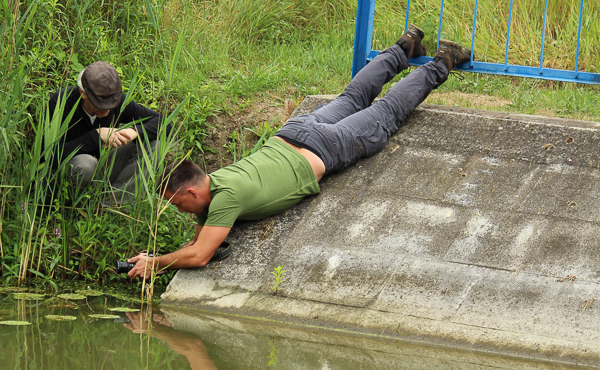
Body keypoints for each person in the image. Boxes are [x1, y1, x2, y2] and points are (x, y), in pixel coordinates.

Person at [126, 29, 470, 277]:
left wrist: (155, 263)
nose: (180, 210)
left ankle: (444, 60)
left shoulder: (224, 199)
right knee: (352, 97)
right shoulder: (218, 183)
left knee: (387, 112)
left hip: (324, 146)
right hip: (294, 131)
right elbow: (197, 243)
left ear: (191, 191)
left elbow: (200, 255)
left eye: (177, 203)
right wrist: (155, 256)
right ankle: (405, 45)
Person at [47, 61, 166, 206]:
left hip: (102, 168)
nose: (108, 109)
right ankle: (71, 208)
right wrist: (95, 136)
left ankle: (110, 206)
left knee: (154, 143)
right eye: (101, 103)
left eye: (112, 103)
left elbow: (165, 124)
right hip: (69, 174)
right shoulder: (61, 101)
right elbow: (48, 156)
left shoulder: (118, 102)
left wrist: (134, 131)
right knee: (87, 164)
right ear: (82, 93)